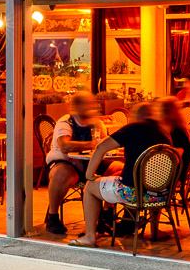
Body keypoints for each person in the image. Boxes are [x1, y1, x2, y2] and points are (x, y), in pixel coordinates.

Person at [69, 101, 169, 248]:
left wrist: (90, 175)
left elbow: (101, 147)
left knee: (90, 188)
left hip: (133, 193)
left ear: (135, 116)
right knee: (122, 176)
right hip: (159, 194)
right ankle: (153, 232)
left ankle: (90, 237)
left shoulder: (133, 128)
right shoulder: (163, 131)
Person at [42, 92, 107, 235]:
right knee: (62, 174)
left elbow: (104, 143)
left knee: (118, 169)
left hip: (93, 163)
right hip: (68, 163)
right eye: (88, 104)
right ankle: (52, 217)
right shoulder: (66, 122)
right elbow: (64, 145)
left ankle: (106, 216)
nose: (92, 107)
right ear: (77, 107)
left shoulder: (97, 123)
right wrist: (92, 144)